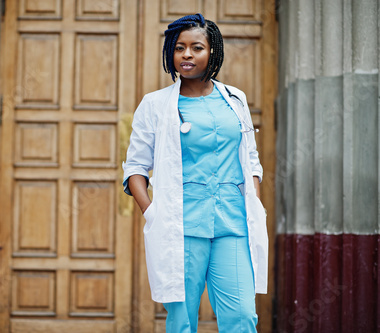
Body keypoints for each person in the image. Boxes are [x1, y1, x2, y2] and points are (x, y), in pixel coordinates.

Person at [122, 13, 268, 333]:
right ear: (170, 54)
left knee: (242, 316)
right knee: (183, 320)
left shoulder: (235, 99)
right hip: (180, 225)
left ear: (211, 51)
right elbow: (135, 166)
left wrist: (253, 195)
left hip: (233, 222)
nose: (186, 55)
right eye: (179, 48)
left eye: (196, 47)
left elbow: (251, 158)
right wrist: (153, 212)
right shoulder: (155, 104)